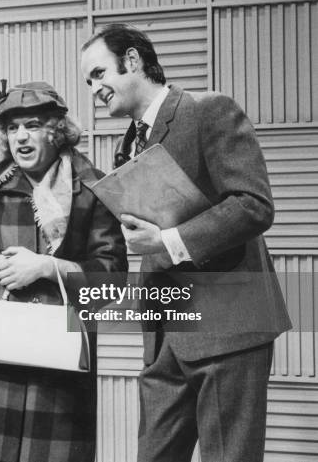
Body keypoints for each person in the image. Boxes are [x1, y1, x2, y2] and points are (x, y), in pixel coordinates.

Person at [81, 23, 292, 462]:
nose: (95, 89)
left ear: (134, 60)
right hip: (165, 338)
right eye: (89, 81)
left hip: (227, 327)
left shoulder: (208, 110)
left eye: (99, 74)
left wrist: (170, 240)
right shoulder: (129, 144)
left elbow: (253, 205)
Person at [0, 81, 127, 462]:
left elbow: (112, 276)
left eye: (32, 125)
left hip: (59, 362)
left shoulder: (92, 187)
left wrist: (47, 266)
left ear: (57, 130)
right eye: (13, 128)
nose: (21, 137)